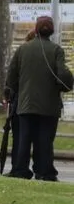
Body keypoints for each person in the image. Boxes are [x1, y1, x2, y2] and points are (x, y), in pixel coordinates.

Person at [5, 16, 73, 181]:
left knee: (24, 138)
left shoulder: (23, 49)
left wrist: (12, 92)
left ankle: (20, 169)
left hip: (26, 103)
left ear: (36, 29)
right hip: (49, 104)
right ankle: (44, 171)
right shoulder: (56, 50)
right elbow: (62, 74)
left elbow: (11, 76)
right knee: (45, 140)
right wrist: (67, 83)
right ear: (52, 31)